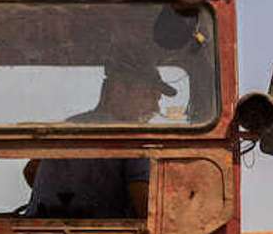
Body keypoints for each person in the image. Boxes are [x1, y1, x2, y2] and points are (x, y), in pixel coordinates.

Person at [23, 61, 175, 218]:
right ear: (118, 91)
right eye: (148, 96)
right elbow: (148, 212)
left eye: (157, 99)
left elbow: (31, 170)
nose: (155, 108)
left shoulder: (69, 125)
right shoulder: (132, 136)